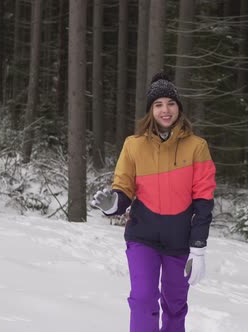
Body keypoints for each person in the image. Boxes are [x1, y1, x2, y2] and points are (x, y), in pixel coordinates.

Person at [92, 72, 216, 332]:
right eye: (158, 104)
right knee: (142, 300)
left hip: (179, 242)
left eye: (170, 103)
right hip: (142, 237)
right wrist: (112, 204)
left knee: (175, 306)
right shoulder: (133, 145)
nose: (165, 110)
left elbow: (204, 201)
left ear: (179, 108)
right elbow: (123, 189)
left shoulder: (197, 146)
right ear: (151, 111)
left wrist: (199, 248)